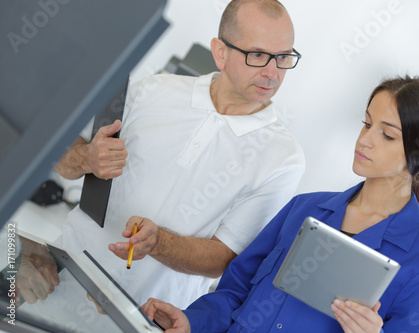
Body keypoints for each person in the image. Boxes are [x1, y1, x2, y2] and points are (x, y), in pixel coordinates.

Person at [141, 75, 419, 332]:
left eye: (387, 135)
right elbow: (236, 291)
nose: (365, 139)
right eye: (366, 123)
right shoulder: (304, 209)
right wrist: (193, 322)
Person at [54, 0, 305, 309]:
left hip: (144, 317)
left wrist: (159, 242)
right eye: (258, 55)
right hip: (60, 276)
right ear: (220, 52)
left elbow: (222, 258)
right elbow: (60, 159)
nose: (272, 72)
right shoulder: (153, 89)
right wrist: (86, 158)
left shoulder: (283, 158)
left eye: (283, 57)